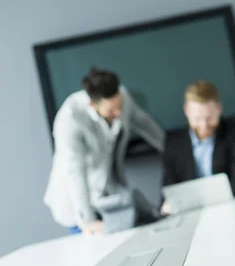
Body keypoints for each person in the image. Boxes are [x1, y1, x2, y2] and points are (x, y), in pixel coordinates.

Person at [44, 67, 165, 235]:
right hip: (76, 201)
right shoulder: (69, 120)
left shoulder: (121, 95)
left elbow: (144, 123)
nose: (118, 113)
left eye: (119, 107)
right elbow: (75, 173)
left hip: (109, 193)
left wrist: (172, 150)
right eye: (110, 111)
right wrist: (88, 221)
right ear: (92, 104)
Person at [161, 80, 235, 214]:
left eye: (209, 118)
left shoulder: (234, 135)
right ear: (186, 110)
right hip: (190, 213)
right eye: (197, 119)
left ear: (219, 109)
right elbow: (169, 186)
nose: (203, 126)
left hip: (230, 209)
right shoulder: (173, 142)